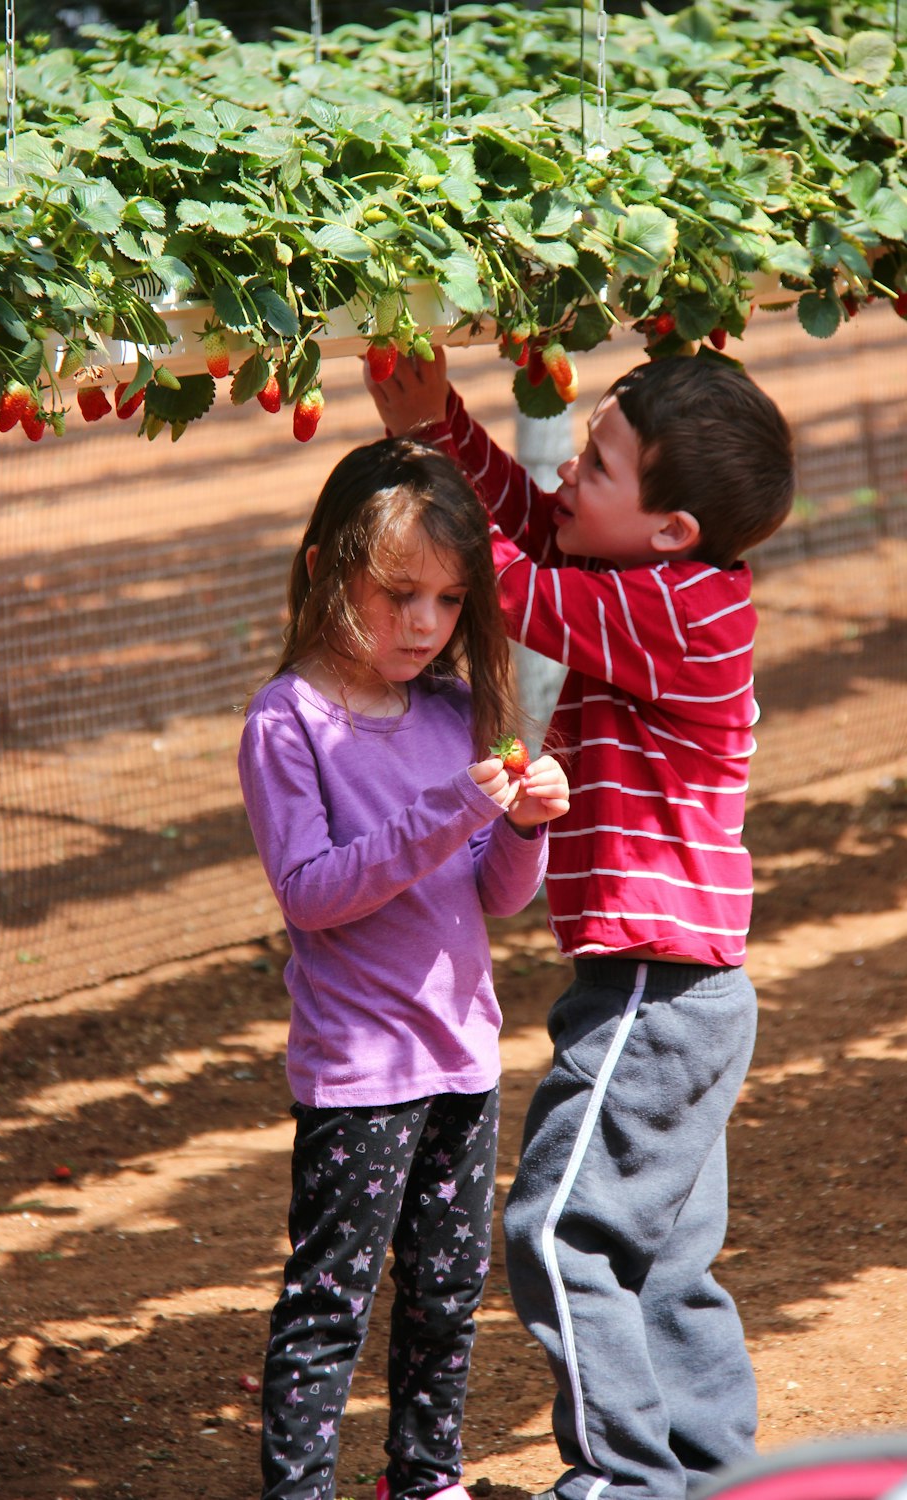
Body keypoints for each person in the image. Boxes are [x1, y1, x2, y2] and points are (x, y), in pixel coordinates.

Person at [364, 349, 796, 1500]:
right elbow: (544, 533)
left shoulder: (676, 615)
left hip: (653, 997)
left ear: (670, 528)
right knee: (661, 1258)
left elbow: (515, 578)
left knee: (558, 1232)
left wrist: (423, 458)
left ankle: (620, 1481)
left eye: (597, 463)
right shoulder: (676, 581)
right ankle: (710, 1473)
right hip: (684, 989)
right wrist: (442, 423)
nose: (570, 476)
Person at [238, 435, 571, 1500]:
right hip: (360, 1075)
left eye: (445, 599)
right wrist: (458, 808)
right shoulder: (287, 722)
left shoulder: (450, 713)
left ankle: (424, 1479)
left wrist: (525, 826)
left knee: (444, 1290)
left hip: (462, 1055)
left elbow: (495, 893)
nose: (422, 623)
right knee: (330, 1299)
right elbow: (313, 892)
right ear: (324, 568)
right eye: (396, 592)